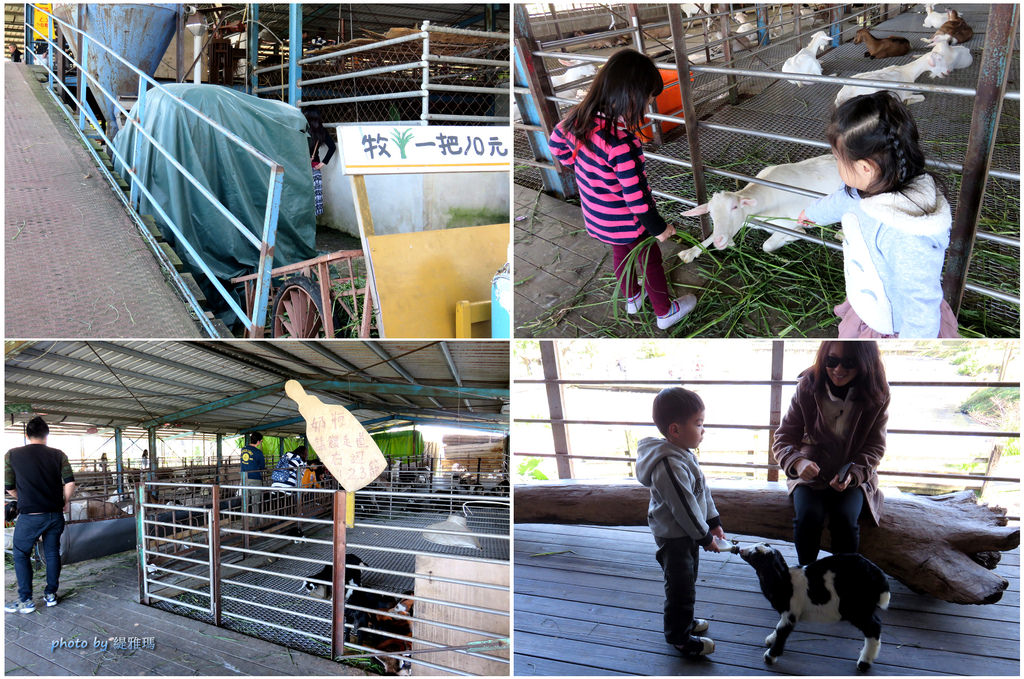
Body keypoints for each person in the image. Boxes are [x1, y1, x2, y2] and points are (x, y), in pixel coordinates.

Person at [548, 49, 697, 331]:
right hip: (629, 220)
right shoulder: (621, 142)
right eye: (649, 98)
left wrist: (583, 169)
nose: (650, 103)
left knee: (620, 252)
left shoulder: (576, 120)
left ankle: (632, 297)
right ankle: (665, 311)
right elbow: (636, 197)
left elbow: (555, 146)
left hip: (597, 215)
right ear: (632, 96)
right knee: (650, 259)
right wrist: (659, 228)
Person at [797, 92, 959, 338]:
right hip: (870, 299)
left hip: (892, 325)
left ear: (865, 167)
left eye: (837, 159)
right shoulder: (867, 187)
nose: (837, 165)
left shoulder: (904, 232)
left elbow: (920, 307)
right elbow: (842, 200)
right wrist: (812, 214)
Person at [774, 341, 890, 566]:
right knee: (808, 517)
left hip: (852, 473)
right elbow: (783, 437)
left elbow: (875, 445)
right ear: (823, 359)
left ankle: (844, 580)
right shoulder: (807, 387)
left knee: (846, 520)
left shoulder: (878, 393)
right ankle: (806, 576)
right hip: (810, 474)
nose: (838, 370)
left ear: (865, 363)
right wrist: (798, 463)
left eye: (849, 363)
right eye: (832, 361)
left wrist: (853, 474)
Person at [636, 387, 725, 658]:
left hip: (689, 533)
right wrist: (705, 537)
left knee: (688, 579)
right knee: (679, 586)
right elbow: (684, 508)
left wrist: (713, 521)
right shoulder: (669, 465)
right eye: (699, 424)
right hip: (674, 536)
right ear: (675, 430)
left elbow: (702, 491)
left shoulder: (684, 453)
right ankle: (679, 637)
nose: (703, 430)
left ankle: (684, 622)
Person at [4, 417, 76, 614]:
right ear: (47, 435)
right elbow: (70, 483)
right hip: (54, 515)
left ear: (27, 435)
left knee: (20, 554)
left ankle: (26, 600)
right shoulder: (58, 455)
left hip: (30, 516)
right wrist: (65, 502)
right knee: (52, 552)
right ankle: (51, 595)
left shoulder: (12, 455)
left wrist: (24, 497)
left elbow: (9, 487)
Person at [304, 105, 336, 218]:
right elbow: (332, 147)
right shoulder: (322, 132)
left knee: (303, 197)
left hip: (301, 168)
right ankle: (313, 225)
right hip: (315, 167)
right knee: (315, 198)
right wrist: (322, 163)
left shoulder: (301, 130)